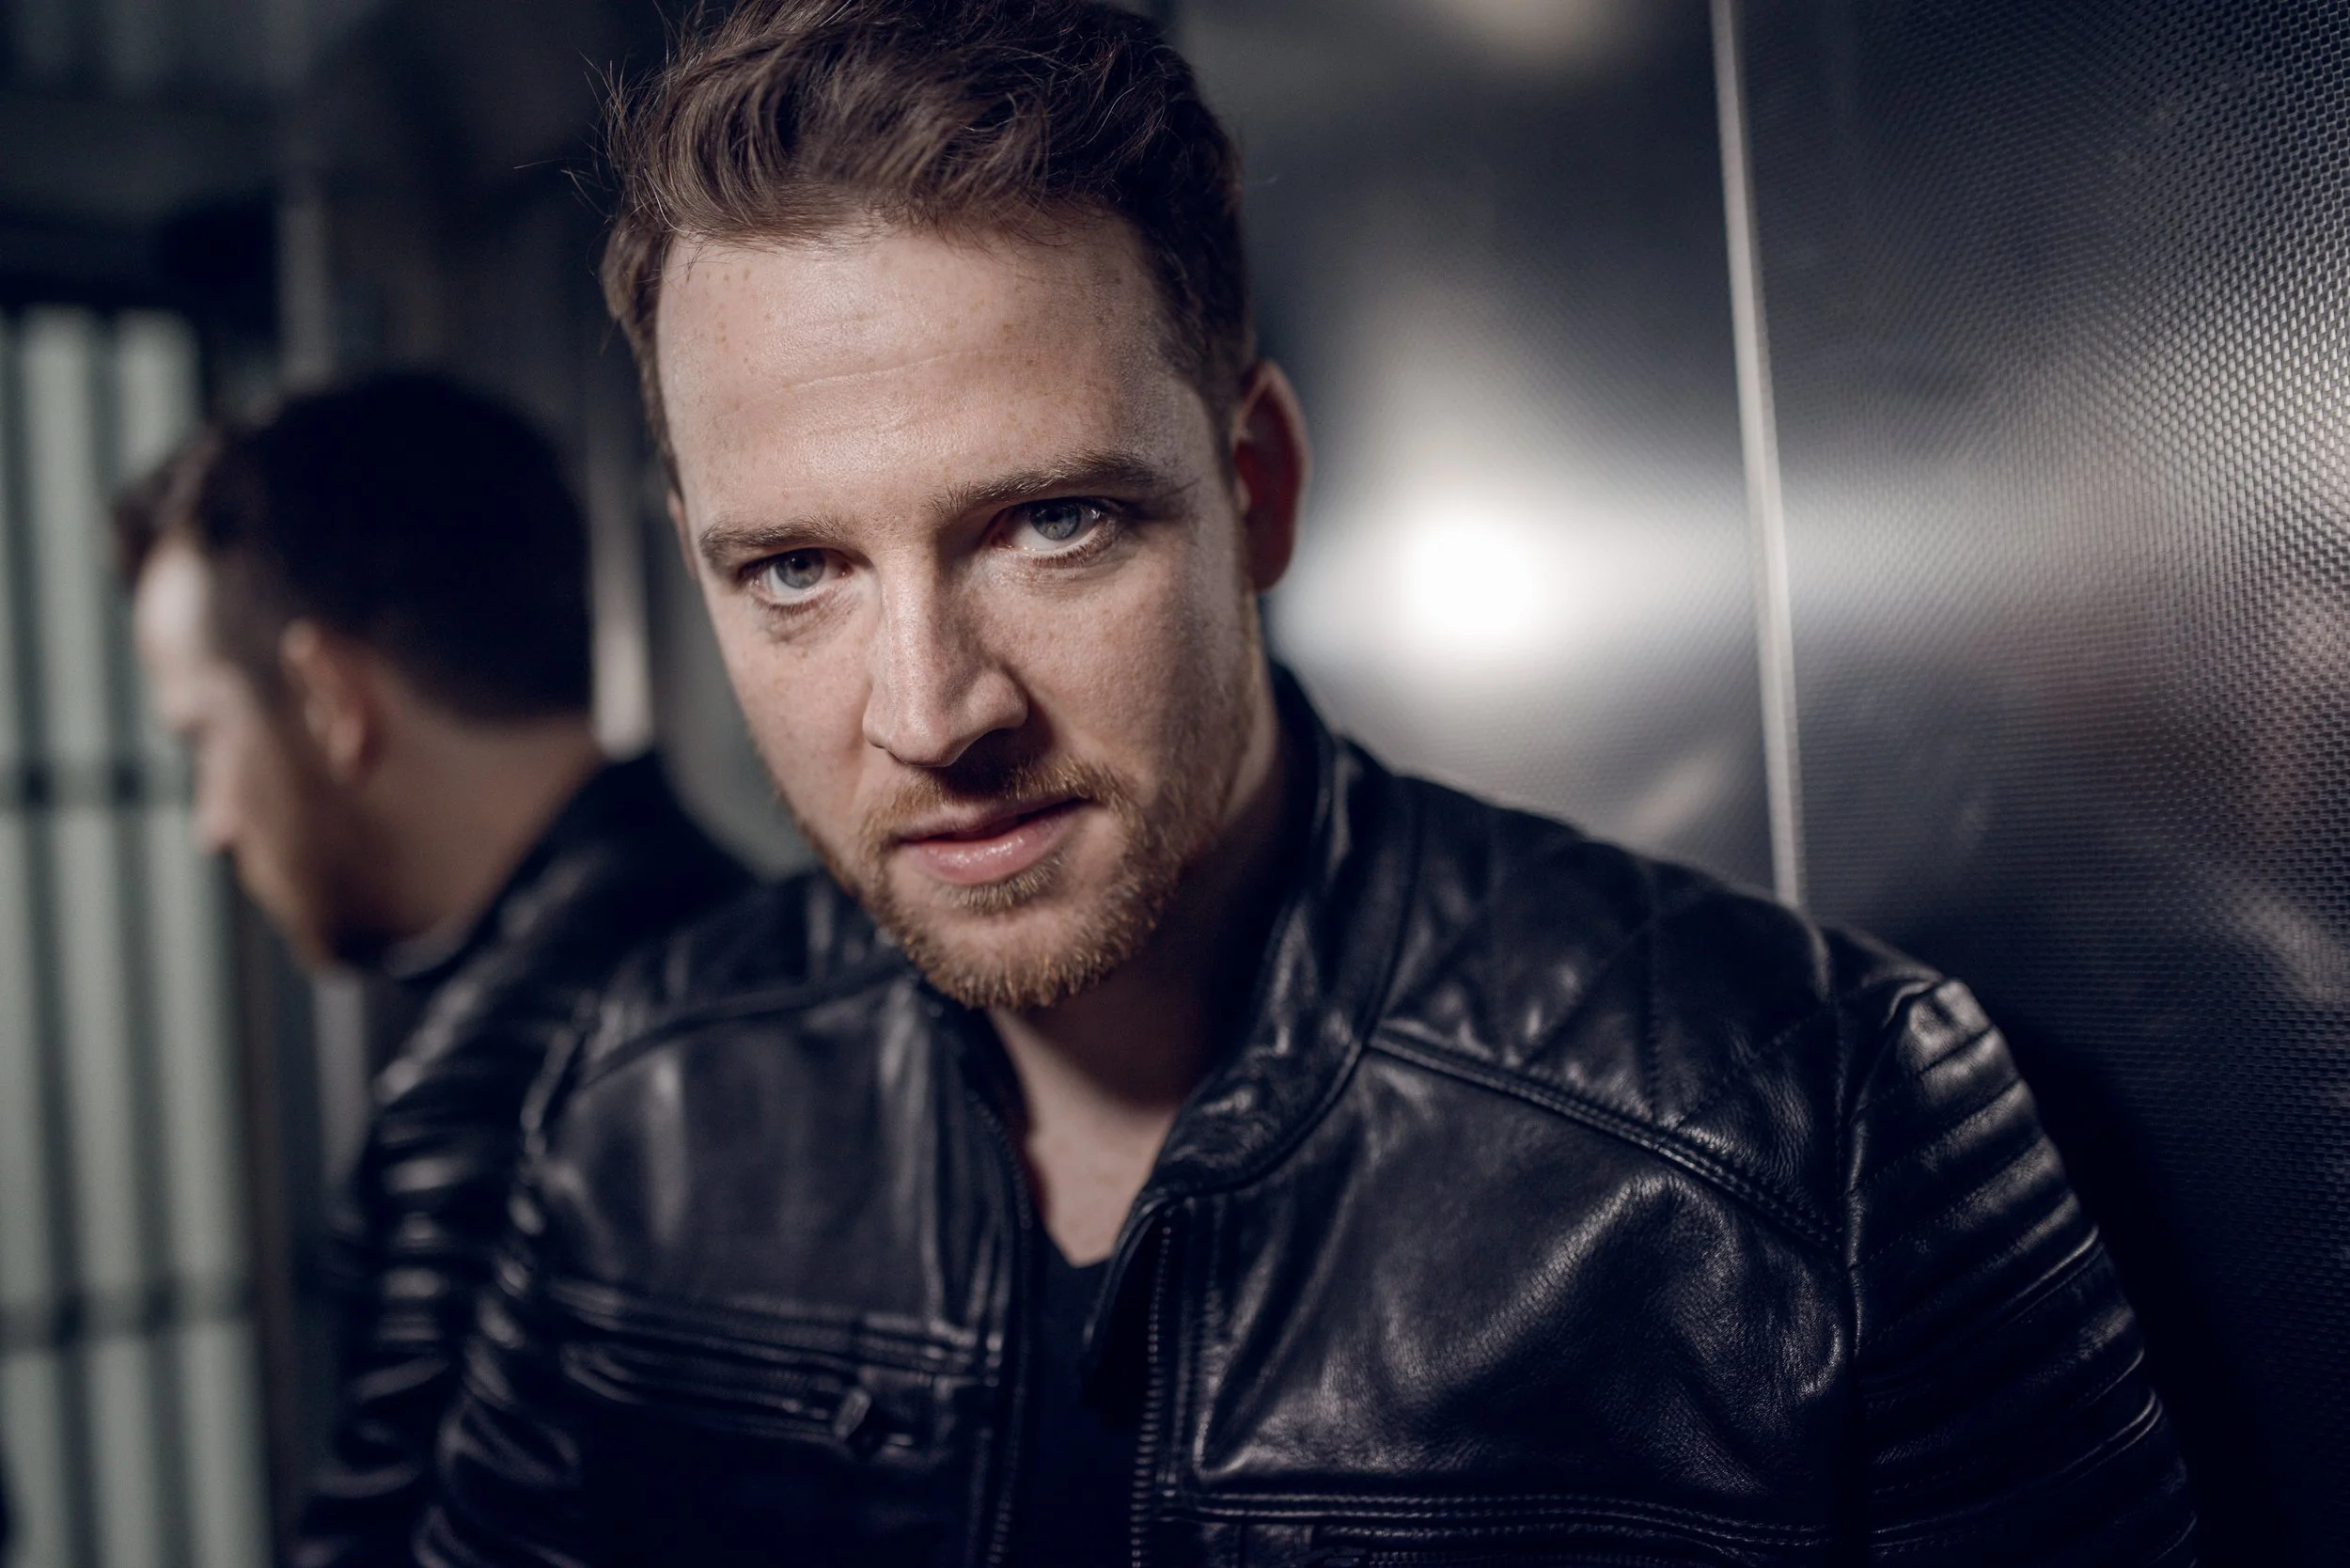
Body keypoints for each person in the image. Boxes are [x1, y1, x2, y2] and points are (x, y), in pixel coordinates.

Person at [418, 3, 2196, 1562]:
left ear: (1254, 485)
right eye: (795, 568)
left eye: (1054, 523)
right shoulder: (635, 1112)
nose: (930, 711)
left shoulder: (1820, 1124)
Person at [116, 374, 749, 1567]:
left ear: (327, 698)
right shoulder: (761, 931)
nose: (208, 820)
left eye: (205, 737)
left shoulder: (491, 1090)